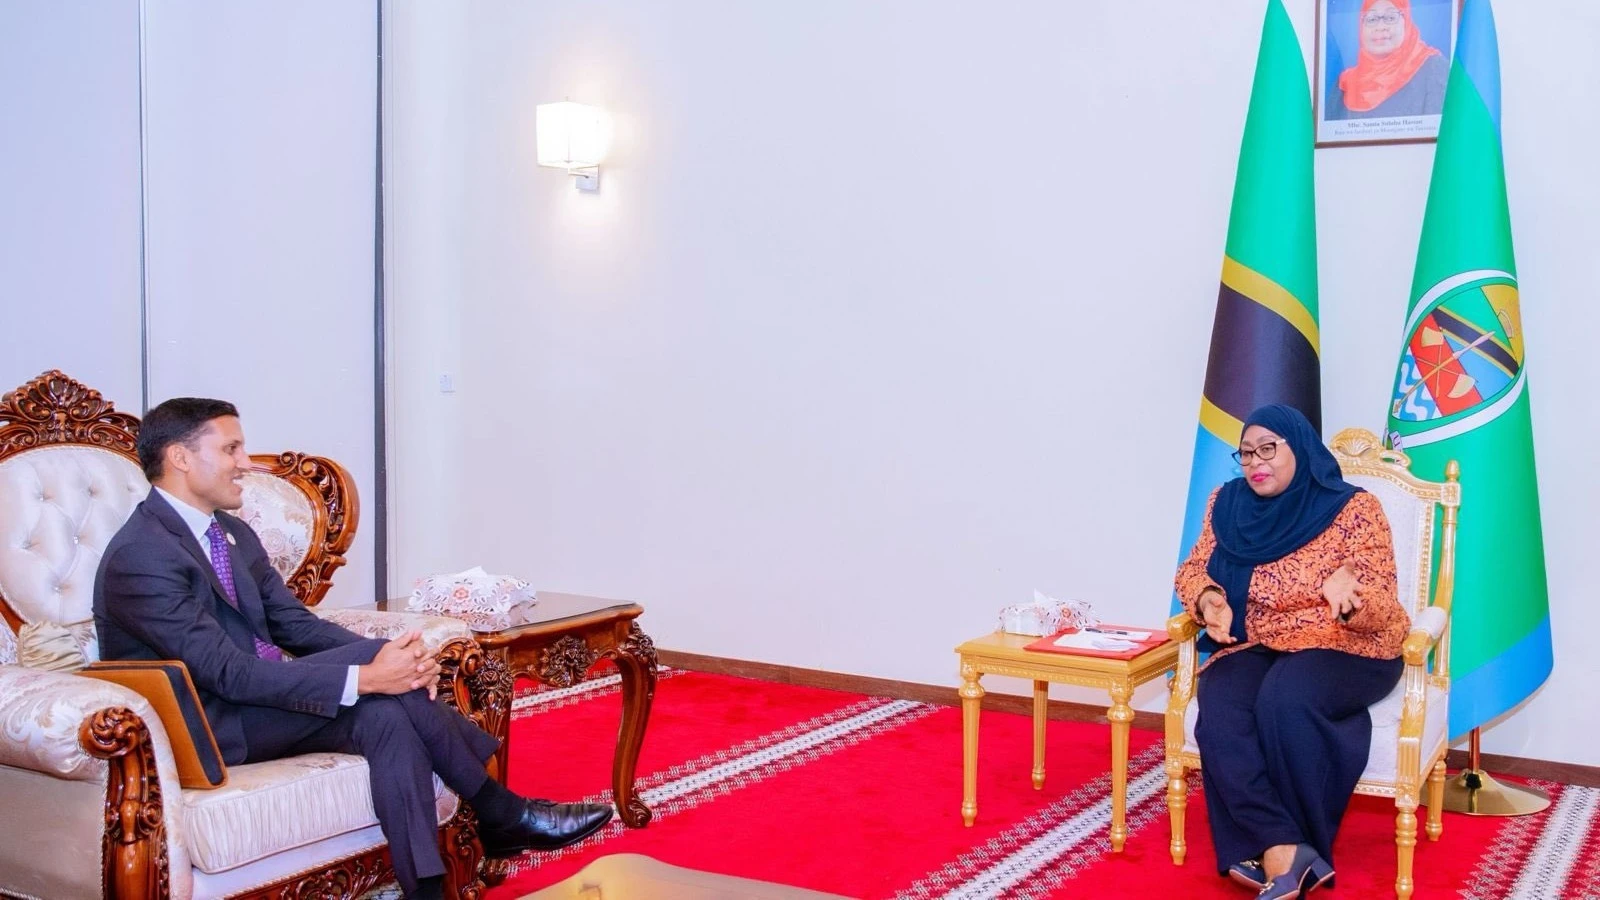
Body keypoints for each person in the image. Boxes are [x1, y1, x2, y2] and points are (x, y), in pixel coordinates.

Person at [93, 398, 614, 900]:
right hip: (206, 724)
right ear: (180, 458)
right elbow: (229, 674)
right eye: (231, 449)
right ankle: (500, 810)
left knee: (386, 715)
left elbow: (294, 625)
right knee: (380, 685)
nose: (246, 464)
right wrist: (369, 672)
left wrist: (395, 657)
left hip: (254, 702)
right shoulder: (142, 556)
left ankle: (426, 889)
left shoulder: (228, 533)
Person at [1174, 404, 1409, 899]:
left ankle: (1282, 850)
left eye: (1269, 449)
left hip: (1348, 643)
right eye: (1246, 453)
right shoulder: (1227, 503)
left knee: (1286, 697)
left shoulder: (1353, 508)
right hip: (1260, 640)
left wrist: (1353, 594)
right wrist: (1209, 599)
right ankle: (1283, 847)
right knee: (1220, 703)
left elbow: (1384, 605)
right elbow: (1194, 570)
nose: (1256, 462)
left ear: (1298, 448)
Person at [1326, 0, 1449, 120]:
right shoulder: (1346, 84)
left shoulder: (1433, 68)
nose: (1380, 27)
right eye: (1372, 19)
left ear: (1406, 22)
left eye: (1390, 18)